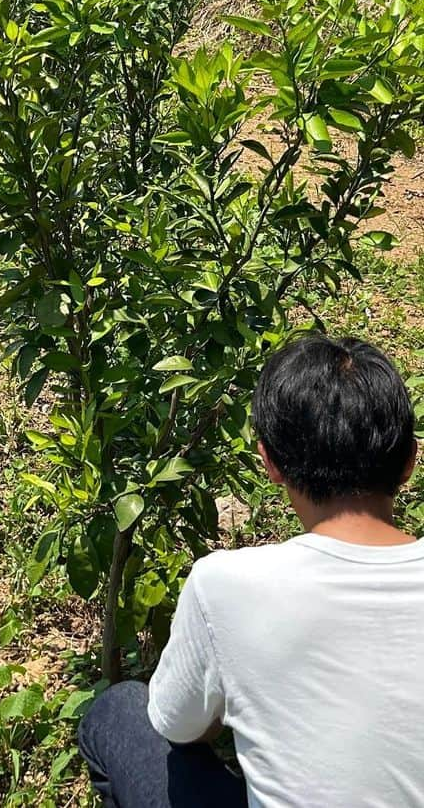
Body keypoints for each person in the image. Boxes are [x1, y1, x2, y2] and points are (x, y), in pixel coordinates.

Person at [78, 333, 424, 807]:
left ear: (270, 462)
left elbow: (176, 726)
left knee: (117, 713)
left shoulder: (226, 587)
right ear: (409, 460)